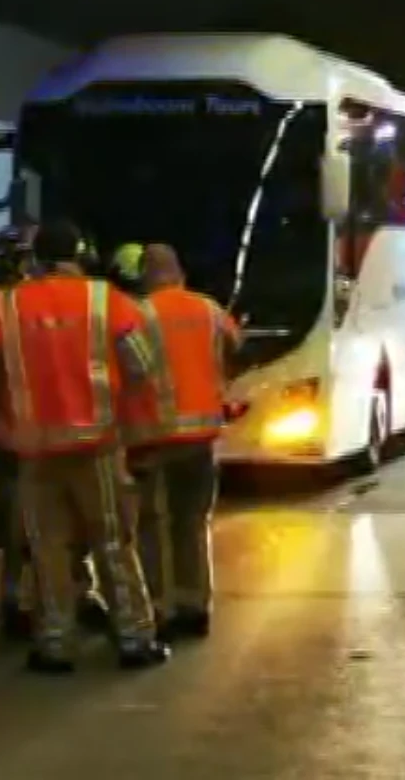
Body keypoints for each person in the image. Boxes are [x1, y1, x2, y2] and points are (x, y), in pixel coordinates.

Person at [0, 219, 170, 672]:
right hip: (97, 444)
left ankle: (56, 642)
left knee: (48, 548)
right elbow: (141, 366)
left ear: (36, 258)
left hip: (35, 449)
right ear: (79, 254)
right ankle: (135, 638)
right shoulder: (106, 300)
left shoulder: (4, 307)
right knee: (113, 543)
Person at [0, 233, 112, 642]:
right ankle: (25, 600)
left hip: (17, 425)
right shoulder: (12, 305)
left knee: (21, 513)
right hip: (23, 427)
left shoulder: (3, 303)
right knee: (34, 517)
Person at [121, 243, 243, 641]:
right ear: (180, 272)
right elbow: (235, 346)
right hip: (201, 436)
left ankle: (159, 606)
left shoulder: (138, 314)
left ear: (144, 276)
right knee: (191, 522)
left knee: (151, 525)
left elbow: (127, 367)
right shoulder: (209, 310)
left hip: (153, 436)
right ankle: (195, 606)